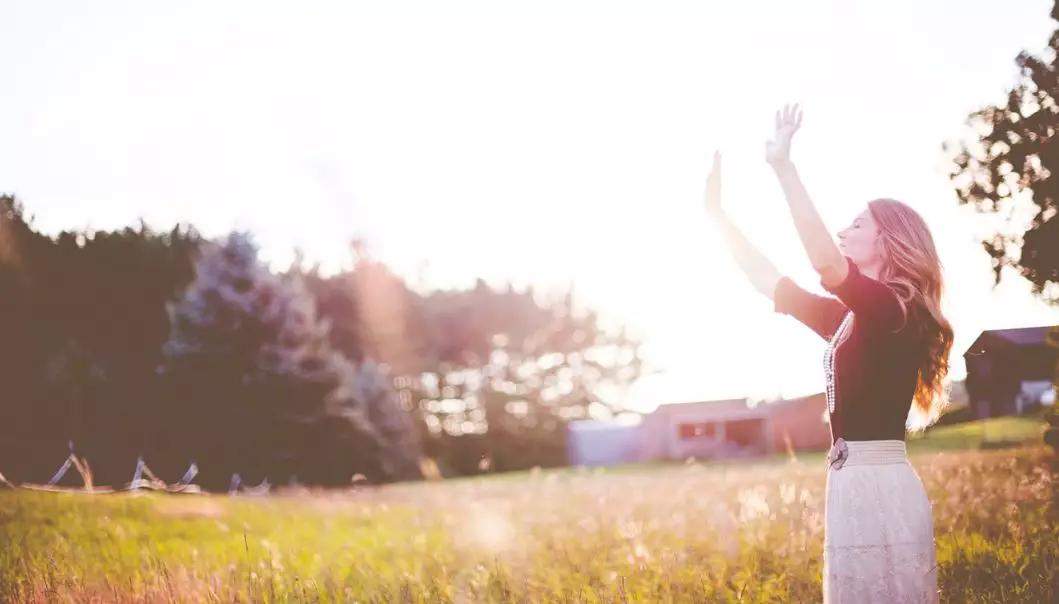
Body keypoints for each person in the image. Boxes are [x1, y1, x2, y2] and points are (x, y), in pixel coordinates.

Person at [704, 104, 951, 603]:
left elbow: (824, 261)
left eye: (856, 225)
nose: (842, 233)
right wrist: (718, 217)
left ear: (889, 240)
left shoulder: (895, 311)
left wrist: (784, 169)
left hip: (880, 489)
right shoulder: (853, 320)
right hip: (852, 486)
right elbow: (768, 280)